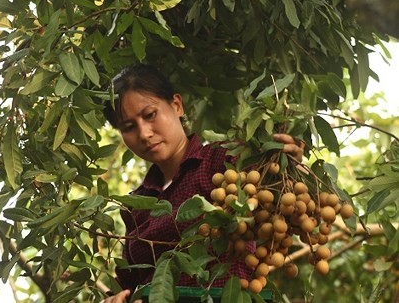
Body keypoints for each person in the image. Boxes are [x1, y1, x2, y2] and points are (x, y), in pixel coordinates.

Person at [101, 64, 304, 303]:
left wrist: (288, 169)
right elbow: (126, 284)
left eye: (150, 115)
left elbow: (288, 212)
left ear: (176, 105)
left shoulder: (226, 161)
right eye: (129, 127)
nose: (144, 133)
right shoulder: (135, 205)